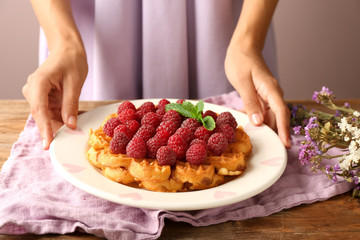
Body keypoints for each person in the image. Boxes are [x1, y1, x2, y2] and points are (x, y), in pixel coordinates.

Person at [23, 0, 291, 150]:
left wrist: (248, 42)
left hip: (220, 23)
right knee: (91, 139)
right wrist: (63, 43)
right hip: (91, 27)